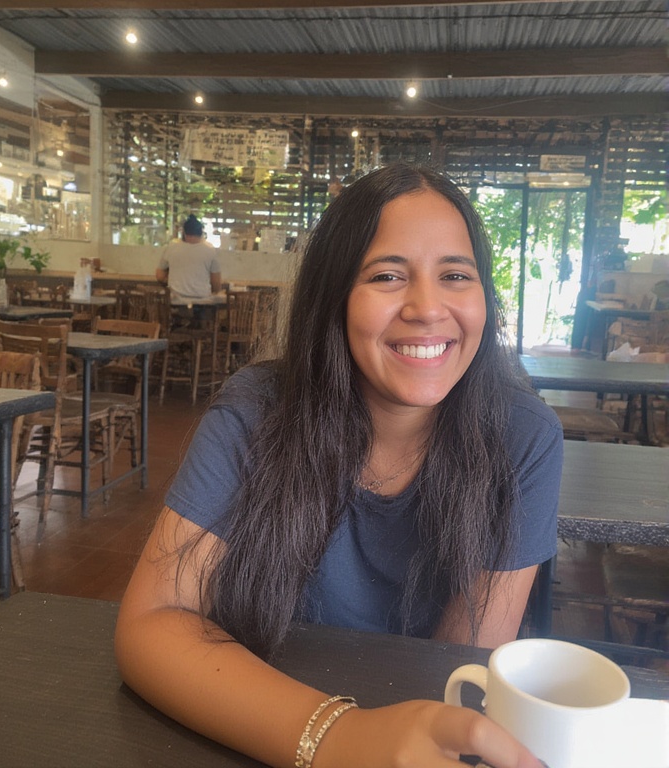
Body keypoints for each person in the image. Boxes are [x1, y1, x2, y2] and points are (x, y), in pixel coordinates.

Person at [116, 164, 561, 768]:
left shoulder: (523, 438)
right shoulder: (258, 410)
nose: (427, 307)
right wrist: (339, 737)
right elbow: (152, 622)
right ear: (334, 297)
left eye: (456, 275)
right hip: (250, 721)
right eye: (387, 276)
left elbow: (461, 668)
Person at [155, 213, 222, 301]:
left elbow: (159, 276)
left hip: (175, 300)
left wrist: (173, 281)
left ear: (184, 232)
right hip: (202, 301)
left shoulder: (172, 247)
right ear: (201, 232)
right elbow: (216, 284)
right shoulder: (210, 250)